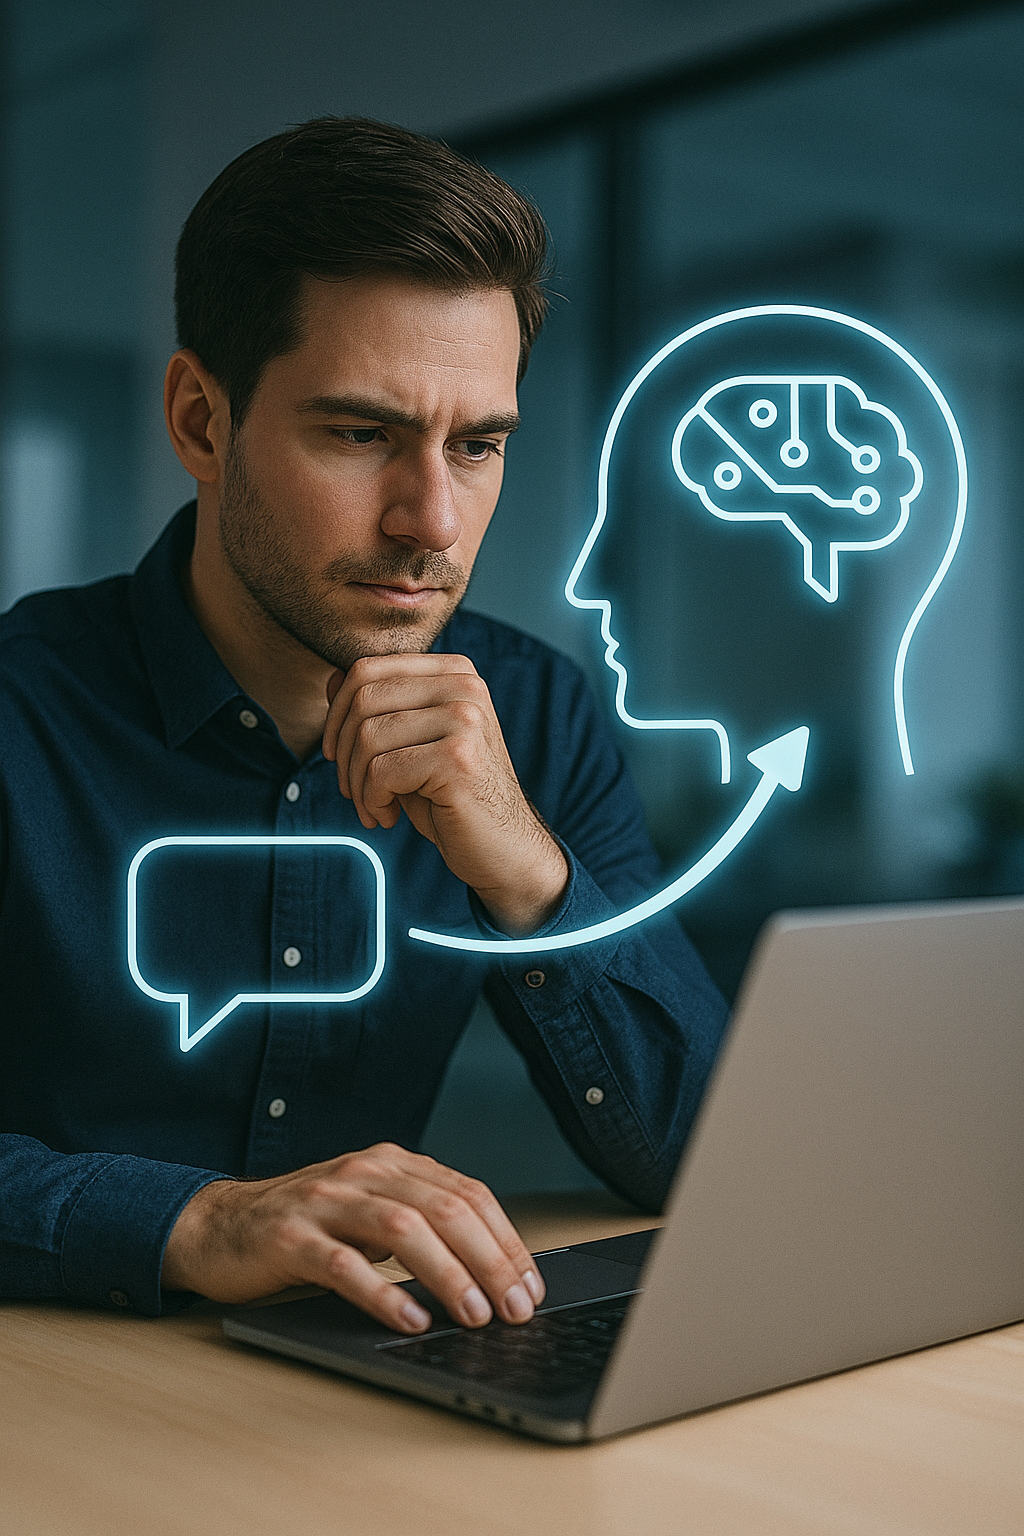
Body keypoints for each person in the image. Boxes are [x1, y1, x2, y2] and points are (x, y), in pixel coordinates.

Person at [0, 118, 727, 1335]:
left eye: (478, 444)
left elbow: (705, 1161)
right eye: (360, 434)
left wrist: (527, 871)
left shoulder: (534, 713)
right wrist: (192, 1219)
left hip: (350, 1392)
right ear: (200, 420)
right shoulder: (23, 709)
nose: (431, 520)